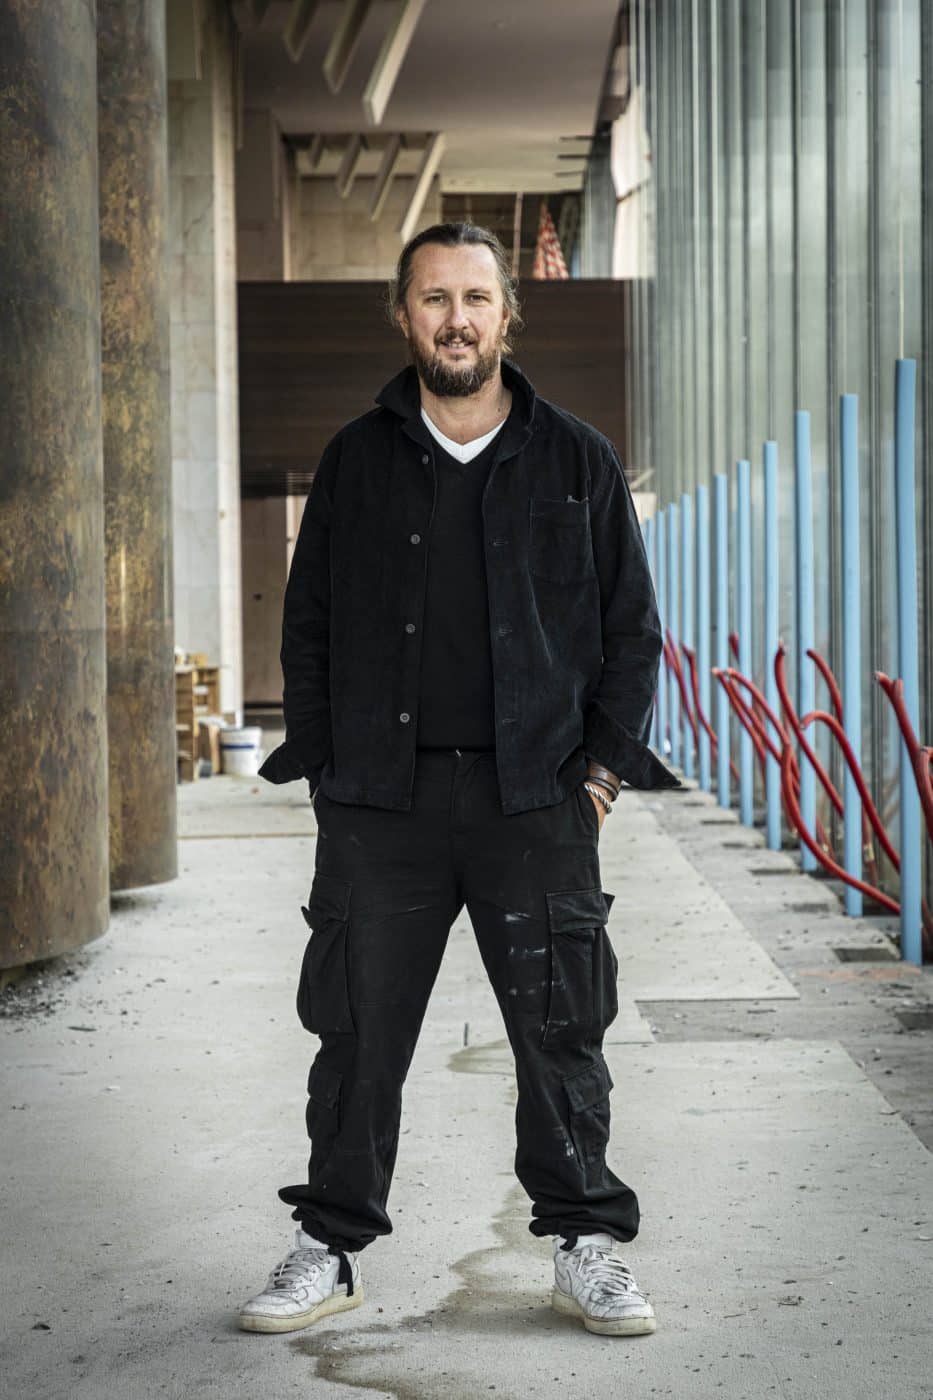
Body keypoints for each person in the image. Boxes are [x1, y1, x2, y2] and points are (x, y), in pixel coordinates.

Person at [238, 222, 678, 1340]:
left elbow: (633, 632)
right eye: (435, 298)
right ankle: (331, 1245)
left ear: (504, 314)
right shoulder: (355, 459)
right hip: (382, 805)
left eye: (475, 296)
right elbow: (311, 626)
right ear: (405, 315)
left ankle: (587, 1242)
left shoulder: (575, 456)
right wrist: (332, 773)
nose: (456, 318)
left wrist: (601, 774)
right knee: (358, 1032)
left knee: (559, 1030)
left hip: (536, 800)